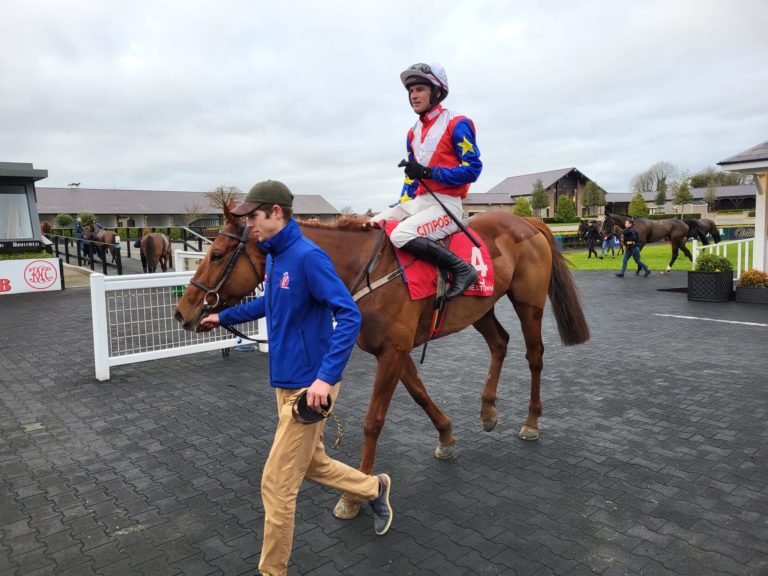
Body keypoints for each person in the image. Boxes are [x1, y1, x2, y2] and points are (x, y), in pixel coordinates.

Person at [199, 180, 393, 576]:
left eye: (254, 216)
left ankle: (273, 571)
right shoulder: (274, 257)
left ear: (277, 212)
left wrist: (325, 379)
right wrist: (222, 316)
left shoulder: (309, 257)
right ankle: (374, 488)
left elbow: (349, 315)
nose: (249, 224)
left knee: (276, 484)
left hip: (312, 388)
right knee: (313, 463)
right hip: (286, 381)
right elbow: (269, 304)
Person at [369, 62, 483, 300]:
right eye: (411, 91)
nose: (414, 95)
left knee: (400, 235)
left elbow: (473, 169)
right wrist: (402, 202)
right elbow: (412, 177)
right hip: (420, 203)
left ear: (437, 92)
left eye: (420, 89)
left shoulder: (457, 123)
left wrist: (429, 173)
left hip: (447, 204)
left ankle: (463, 269)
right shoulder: (412, 132)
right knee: (370, 225)